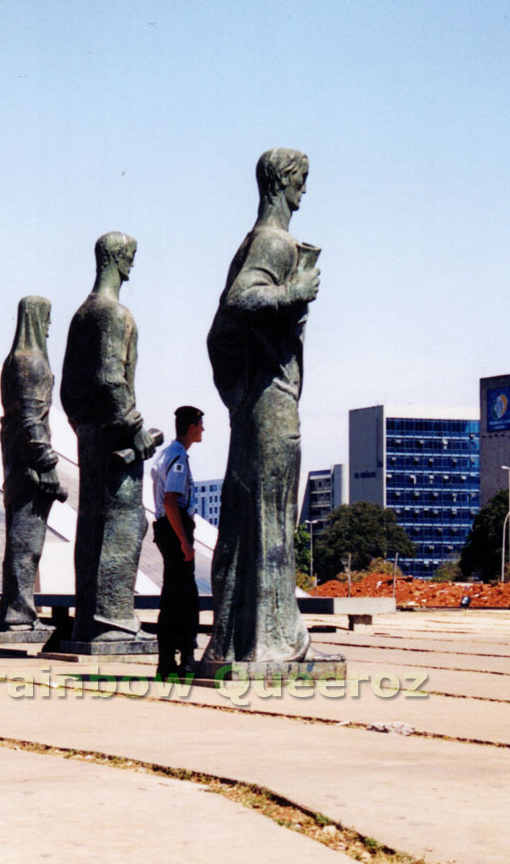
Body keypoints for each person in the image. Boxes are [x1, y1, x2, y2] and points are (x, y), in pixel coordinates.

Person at [204, 148, 321, 663]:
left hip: (257, 397)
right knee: (270, 514)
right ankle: (271, 640)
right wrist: (296, 292)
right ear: (282, 182)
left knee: (250, 514)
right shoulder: (273, 241)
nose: (305, 191)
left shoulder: (255, 240)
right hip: (270, 400)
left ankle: (240, 639)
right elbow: (240, 301)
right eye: (302, 180)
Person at [60, 232, 156, 643]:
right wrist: (134, 429)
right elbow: (111, 379)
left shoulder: (81, 315)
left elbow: (68, 390)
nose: (133, 265)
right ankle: (113, 618)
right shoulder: (115, 314)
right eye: (131, 257)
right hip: (117, 439)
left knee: (92, 521)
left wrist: (85, 426)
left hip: (90, 434)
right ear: (116, 258)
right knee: (126, 522)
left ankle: (88, 619)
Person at [0, 296, 67, 631]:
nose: (50, 327)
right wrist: (48, 463)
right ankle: (19, 615)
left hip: (14, 465)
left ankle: (14, 610)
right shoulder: (33, 362)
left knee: (17, 542)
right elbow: (30, 420)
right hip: (30, 469)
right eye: (48, 318)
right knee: (26, 544)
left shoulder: (12, 362)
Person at [151, 406, 204, 677]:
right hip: (176, 526)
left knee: (172, 596)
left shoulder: (166, 454)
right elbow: (171, 500)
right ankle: (184, 657)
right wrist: (184, 541)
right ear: (192, 427)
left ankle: (167, 660)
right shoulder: (179, 458)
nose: (203, 430)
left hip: (166, 528)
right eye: (201, 425)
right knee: (186, 599)